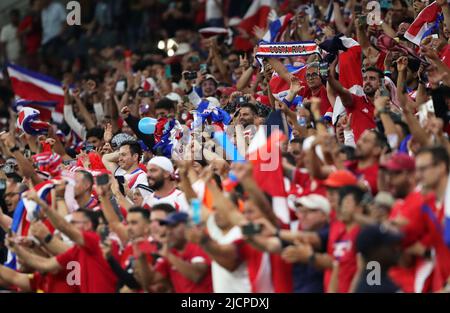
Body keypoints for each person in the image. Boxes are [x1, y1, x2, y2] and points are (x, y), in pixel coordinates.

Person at [135, 212, 213, 293]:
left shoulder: (198, 245)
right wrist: (142, 258)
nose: (169, 232)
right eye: (167, 228)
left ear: (188, 227)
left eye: (173, 226)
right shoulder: (172, 252)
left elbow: (196, 275)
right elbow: (150, 280)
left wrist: (168, 255)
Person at [355, 224, 403, 293]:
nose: (396, 249)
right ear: (373, 251)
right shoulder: (376, 288)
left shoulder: (374, 282)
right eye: (389, 244)